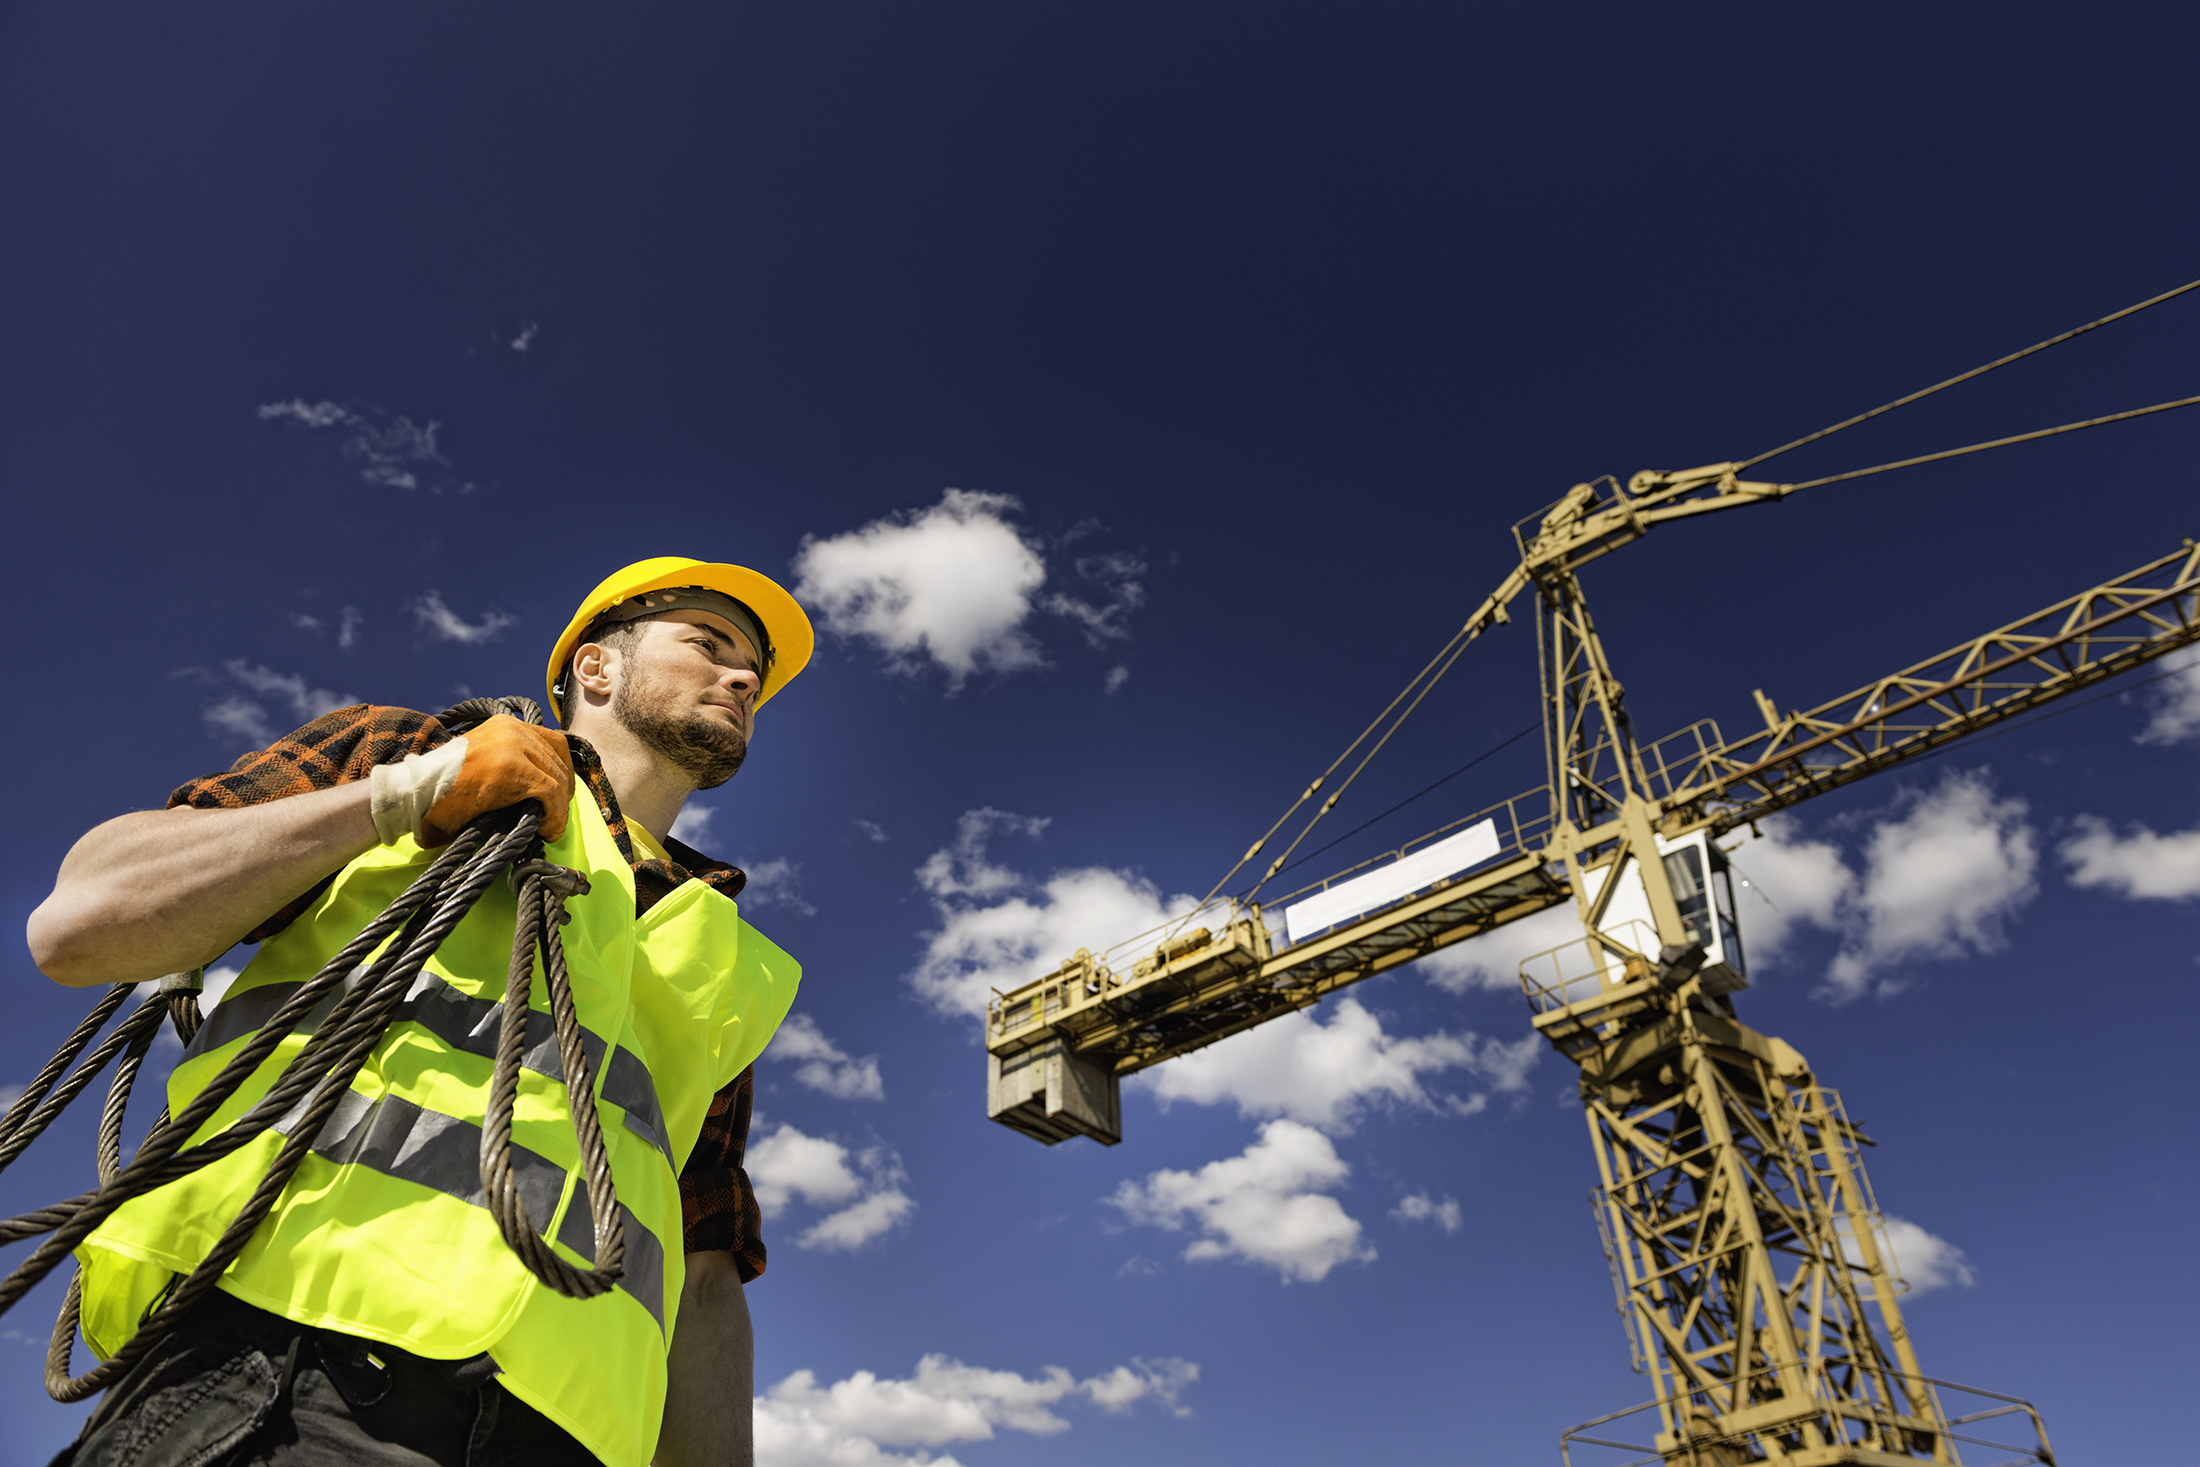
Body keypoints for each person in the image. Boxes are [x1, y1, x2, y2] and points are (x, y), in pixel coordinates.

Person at [25, 558, 815, 1467]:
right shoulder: (414, 755)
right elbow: (82, 922)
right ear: (596, 669)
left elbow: (705, 1277)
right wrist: (406, 793)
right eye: (708, 644)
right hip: (277, 1370)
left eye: (752, 667)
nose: (745, 677)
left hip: (566, 1438)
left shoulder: (717, 950)